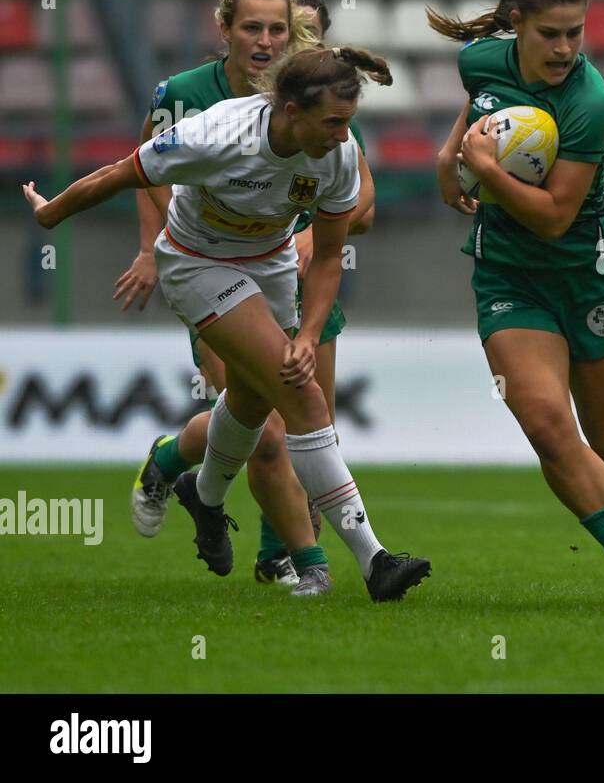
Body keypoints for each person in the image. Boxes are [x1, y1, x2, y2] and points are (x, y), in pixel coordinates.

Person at [26, 45, 430, 602]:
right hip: (197, 263)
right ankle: (375, 562)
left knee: (251, 403)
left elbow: (332, 256)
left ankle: (202, 491)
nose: (344, 136)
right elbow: (123, 173)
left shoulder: (335, 157)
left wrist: (310, 334)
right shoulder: (216, 134)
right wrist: (52, 213)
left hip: (272, 262)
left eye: (349, 122)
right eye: (334, 122)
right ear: (291, 110)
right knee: (301, 396)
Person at [429, 0, 604, 608]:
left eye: (576, 33)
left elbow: (555, 218)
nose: (566, 49)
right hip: (509, 278)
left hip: (587, 275)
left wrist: (484, 171)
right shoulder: (477, 60)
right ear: (516, 23)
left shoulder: (589, 102)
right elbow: (479, 102)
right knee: (544, 420)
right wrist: (453, 153)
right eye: (551, 35)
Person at [119, 0, 375, 590]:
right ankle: (305, 558)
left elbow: (359, 201)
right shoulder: (185, 96)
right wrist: (149, 250)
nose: (268, 41)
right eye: (254, 28)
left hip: (297, 275)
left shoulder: (322, 98)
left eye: (281, 31)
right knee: (273, 426)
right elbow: (150, 169)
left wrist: (314, 238)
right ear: (226, 30)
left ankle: (266, 546)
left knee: (303, 424)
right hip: (213, 266)